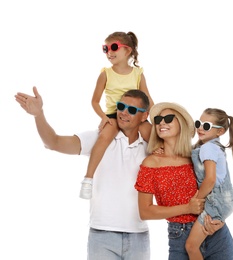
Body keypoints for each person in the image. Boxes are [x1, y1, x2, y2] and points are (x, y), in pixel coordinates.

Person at [15, 87, 152, 260]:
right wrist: (38, 115)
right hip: (102, 236)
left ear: (144, 116)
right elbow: (54, 142)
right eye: (121, 107)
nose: (124, 113)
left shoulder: (151, 147)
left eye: (131, 110)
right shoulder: (99, 138)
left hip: (138, 236)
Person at [135, 102, 233, 260]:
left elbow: (220, 187)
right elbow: (145, 212)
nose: (162, 122)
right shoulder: (151, 163)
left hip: (214, 233)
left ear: (181, 123)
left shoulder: (196, 156)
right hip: (180, 236)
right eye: (158, 120)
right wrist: (187, 207)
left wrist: (219, 220)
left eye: (168, 118)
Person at [81, 31, 154, 200]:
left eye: (114, 47)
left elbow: (148, 98)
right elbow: (94, 101)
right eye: (105, 48)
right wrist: (104, 117)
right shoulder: (106, 73)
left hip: (135, 114)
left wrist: (156, 116)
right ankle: (88, 178)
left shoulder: (138, 73)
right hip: (114, 114)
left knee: (152, 134)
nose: (109, 52)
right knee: (104, 137)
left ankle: (163, 170)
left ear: (127, 51)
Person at [185, 108, 233, 260]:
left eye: (206, 126)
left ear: (220, 132)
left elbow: (210, 180)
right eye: (198, 123)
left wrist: (197, 200)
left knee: (191, 246)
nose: (200, 128)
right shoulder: (208, 146)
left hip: (216, 201)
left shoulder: (208, 147)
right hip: (221, 201)